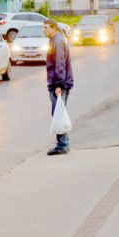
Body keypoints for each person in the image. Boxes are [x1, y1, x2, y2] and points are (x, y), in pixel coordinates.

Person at [43, 19, 74, 155]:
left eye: (46, 28)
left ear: (53, 28)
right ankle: (63, 143)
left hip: (60, 84)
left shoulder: (58, 41)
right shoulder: (54, 40)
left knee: (58, 113)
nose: (43, 30)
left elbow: (59, 64)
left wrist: (58, 85)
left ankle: (62, 144)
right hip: (57, 83)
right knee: (58, 113)